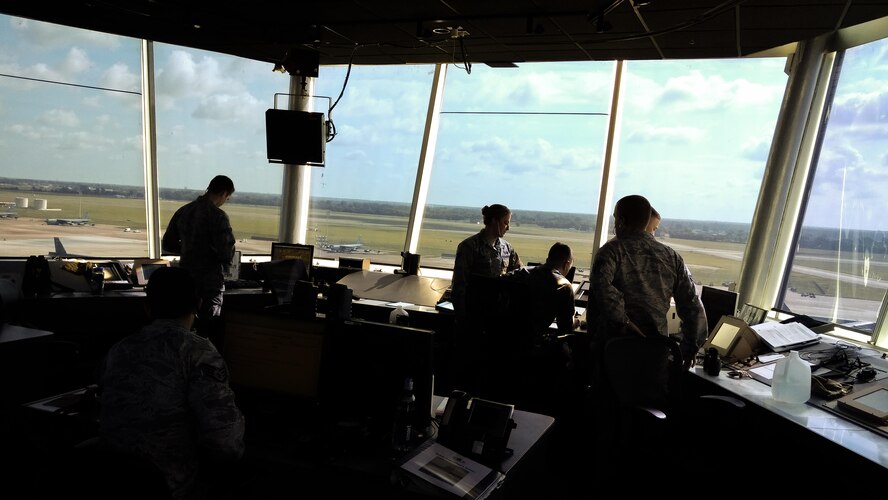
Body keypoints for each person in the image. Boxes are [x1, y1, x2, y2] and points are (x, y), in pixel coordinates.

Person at [96, 266, 245, 499]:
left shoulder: (119, 349)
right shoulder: (198, 353)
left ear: (148, 307)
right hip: (169, 485)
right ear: (198, 304)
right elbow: (226, 445)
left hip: (112, 482)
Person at [590, 194, 706, 369]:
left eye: (615, 218)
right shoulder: (672, 257)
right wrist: (690, 348)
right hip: (656, 351)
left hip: (614, 349)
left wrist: (626, 324)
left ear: (621, 220)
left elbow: (603, 293)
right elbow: (693, 306)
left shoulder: (610, 252)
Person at [162, 174, 236, 344]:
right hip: (209, 282)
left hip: (185, 280)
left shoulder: (184, 211)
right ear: (224, 193)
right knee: (208, 329)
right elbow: (226, 254)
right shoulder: (218, 216)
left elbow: (168, 243)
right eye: (227, 197)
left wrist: (189, 249)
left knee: (185, 327)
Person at [450, 203, 522, 319]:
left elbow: (519, 274)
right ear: (494, 221)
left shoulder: (507, 248)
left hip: (500, 313)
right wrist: (461, 316)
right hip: (475, 312)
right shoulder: (469, 246)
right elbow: (459, 284)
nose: (508, 228)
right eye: (506, 223)